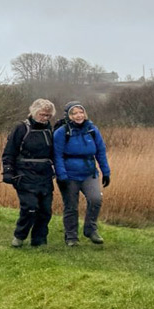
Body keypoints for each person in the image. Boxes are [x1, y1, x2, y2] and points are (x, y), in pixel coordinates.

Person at [54, 101, 110, 246]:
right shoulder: (62, 132)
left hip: (89, 173)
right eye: (74, 113)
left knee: (96, 199)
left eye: (81, 112)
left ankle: (90, 230)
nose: (79, 115)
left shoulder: (92, 129)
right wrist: (62, 175)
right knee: (71, 206)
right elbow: (57, 155)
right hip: (69, 174)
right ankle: (71, 237)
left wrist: (106, 172)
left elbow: (101, 151)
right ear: (69, 116)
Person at [2, 99, 56, 247]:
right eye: (42, 114)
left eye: (48, 116)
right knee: (30, 208)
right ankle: (20, 236)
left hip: (44, 175)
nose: (45, 118)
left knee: (45, 211)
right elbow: (9, 152)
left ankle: (39, 241)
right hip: (24, 174)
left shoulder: (49, 130)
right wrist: (7, 171)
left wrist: (59, 170)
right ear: (34, 112)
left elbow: (54, 154)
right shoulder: (21, 128)